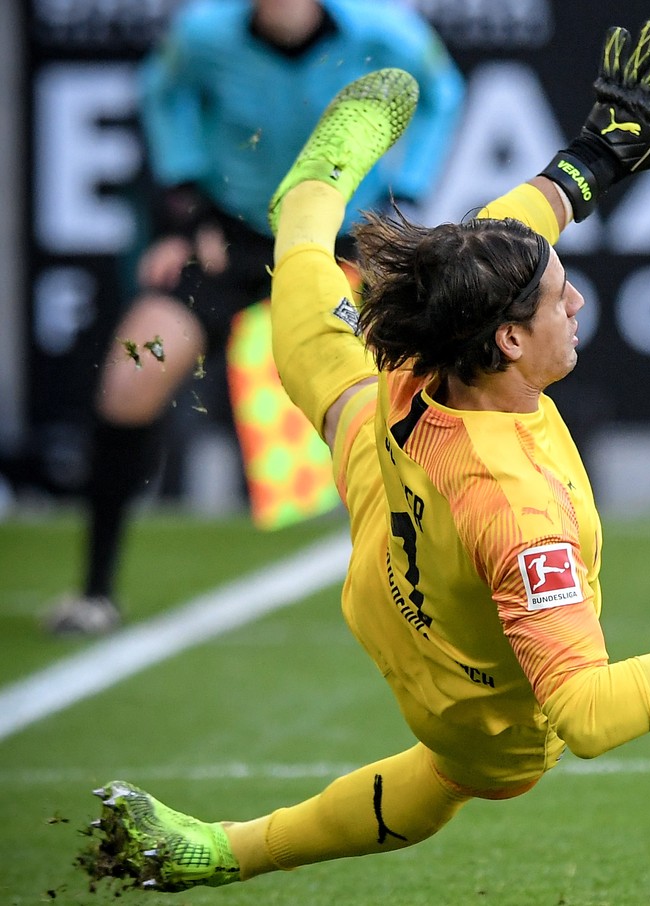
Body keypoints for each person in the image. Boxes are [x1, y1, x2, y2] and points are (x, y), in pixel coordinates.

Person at [78, 22, 650, 893]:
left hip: (381, 489)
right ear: (509, 338)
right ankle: (232, 851)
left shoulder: (419, 350)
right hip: (468, 699)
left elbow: (502, 234)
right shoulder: (518, 510)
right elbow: (586, 716)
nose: (574, 300)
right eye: (554, 298)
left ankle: (315, 178)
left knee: (305, 265)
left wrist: (592, 159)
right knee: (463, 777)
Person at [43, 0, 465, 636]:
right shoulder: (203, 33)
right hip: (228, 238)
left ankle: (454, 588)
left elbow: (443, 91)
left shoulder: (385, 30)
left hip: (346, 239)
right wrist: (182, 208)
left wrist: (409, 192)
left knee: (426, 391)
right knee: (132, 376)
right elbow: (162, 91)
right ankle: (96, 591)